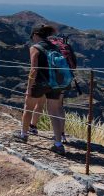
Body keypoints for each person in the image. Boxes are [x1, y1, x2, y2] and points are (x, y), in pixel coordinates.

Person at [13, 24, 66, 155]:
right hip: (55, 83)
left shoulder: (35, 48)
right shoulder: (55, 47)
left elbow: (33, 69)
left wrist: (29, 87)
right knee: (53, 112)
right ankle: (58, 144)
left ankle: (23, 135)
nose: (32, 39)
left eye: (32, 37)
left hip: (40, 83)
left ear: (36, 35)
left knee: (28, 107)